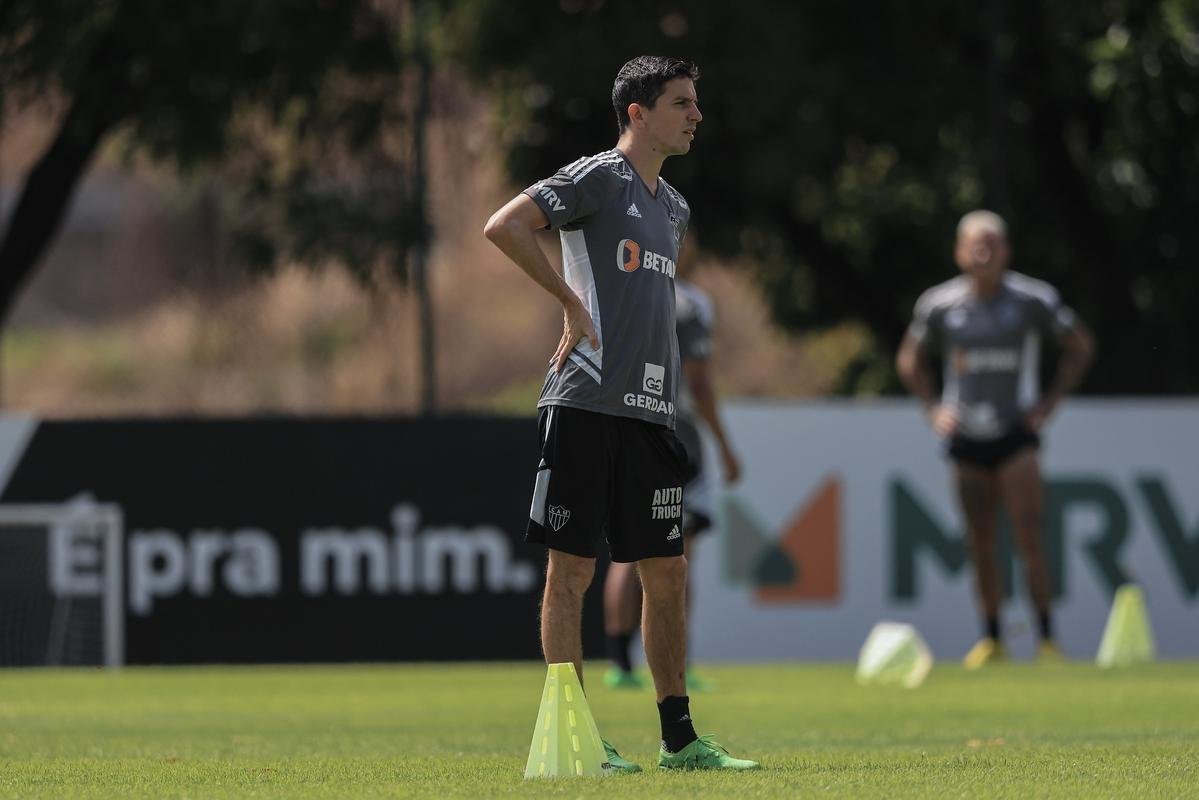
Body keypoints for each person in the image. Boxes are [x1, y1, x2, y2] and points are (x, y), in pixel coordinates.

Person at [483, 56, 758, 771]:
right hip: (584, 401)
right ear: (637, 112)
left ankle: (678, 740)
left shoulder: (672, 206)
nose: (696, 115)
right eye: (681, 103)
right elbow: (505, 225)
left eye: (695, 102)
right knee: (570, 572)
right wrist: (568, 302)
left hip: (650, 416)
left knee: (665, 572)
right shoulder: (597, 176)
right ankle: (575, 737)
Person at [896, 210, 1095, 669]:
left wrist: (1048, 403)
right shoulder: (939, 305)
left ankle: (1046, 638)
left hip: (1015, 435)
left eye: (991, 244)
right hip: (965, 437)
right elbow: (910, 360)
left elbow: (1080, 345)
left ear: (1006, 250)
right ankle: (992, 638)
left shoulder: (1033, 301)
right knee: (979, 540)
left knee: (1028, 534)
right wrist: (933, 409)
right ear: (959, 250)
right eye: (973, 244)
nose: (982, 252)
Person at [602, 237, 741, 693]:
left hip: (620, 427)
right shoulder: (691, 303)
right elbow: (699, 384)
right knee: (676, 558)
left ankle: (620, 664)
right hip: (673, 436)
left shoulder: (614, 288)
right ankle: (679, 664)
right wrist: (724, 445)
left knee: (627, 552)